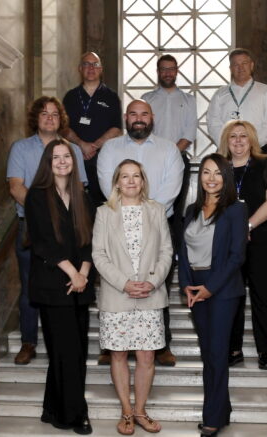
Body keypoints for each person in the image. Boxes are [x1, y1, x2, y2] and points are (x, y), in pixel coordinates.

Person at [97, 99, 184, 366]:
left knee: (158, 282)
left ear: (152, 117)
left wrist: (148, 211)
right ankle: (113, 346)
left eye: (143, 114)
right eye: (133, 114)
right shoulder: (110, 148)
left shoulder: (169, 149)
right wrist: (129, 205)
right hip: (116, 221)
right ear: (126, 117)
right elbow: (106, 183)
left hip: (159, 222)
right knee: (116, 282)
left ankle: (161, 345)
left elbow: (172, 188)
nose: (138, 118)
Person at [92, 159, 172, 435]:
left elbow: (166, 252)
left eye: (135, 176)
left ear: (142, 181)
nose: (130, 181)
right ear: (116, 182)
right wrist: (124, 283)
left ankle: (140, 411)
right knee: (119, 354)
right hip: (117, 294)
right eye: (124, 176)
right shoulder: (104, 213)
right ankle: (126, 411)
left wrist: (151, 282)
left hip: (150, 294)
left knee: (147, 356)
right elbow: (98, 255)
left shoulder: (157, 210)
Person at [7, 96, 88, 365]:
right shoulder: (20, 148)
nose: (50, 118)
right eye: (44, 113)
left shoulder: (73, 150)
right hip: (32, 229)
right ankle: (29, 341)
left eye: (55, 114)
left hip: (69, 233)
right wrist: (43, 211)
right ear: (36, 118)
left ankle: (66, 341)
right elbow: (16, 186)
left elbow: (79, 189)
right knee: (31, 285)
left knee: (68, 282)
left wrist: (62, 217)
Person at [25, 139, 95, 435]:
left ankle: (52, 409)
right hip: (53, 286)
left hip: (79, 285)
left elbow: (91, 240)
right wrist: (72, 273)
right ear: (47, 162)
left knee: (74, 350)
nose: (62, 161)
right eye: (56, 157)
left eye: (67, 156)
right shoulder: (37, 196)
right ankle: (74, 415)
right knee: (66, 352)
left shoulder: (82, 195)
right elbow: (43, 243)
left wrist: (83, 273)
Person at [179, 154, 247, 437]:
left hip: (222, 288)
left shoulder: (236, 209)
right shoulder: (192, 210)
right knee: (209, 353)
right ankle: (223, 409)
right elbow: (182, 251)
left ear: (226, 177)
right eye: (206, 172)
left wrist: (211, 288)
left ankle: (212, 417)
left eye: (217, 173)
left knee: (218, 354)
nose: (211, 178)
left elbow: (236, 257)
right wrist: (186, 284)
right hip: (195, 285)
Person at [142, 54, 198, 358]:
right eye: (162, 69)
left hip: (176, 159)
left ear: (176, 71)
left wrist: (169, 154)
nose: (167, 73)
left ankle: (172, 255)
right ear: (158, 72)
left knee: (172, 221)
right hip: (147, 163)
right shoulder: (147, 99)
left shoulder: (188, 100)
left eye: (171, 69)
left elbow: (188, 135)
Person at [217, 120, 267, 371]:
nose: (238, 140)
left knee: (263, 296)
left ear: (252, 139)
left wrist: (246, 227)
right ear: (227, 140)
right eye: (232, 136)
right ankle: (234, 349)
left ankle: (264, 350)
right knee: (232, 296)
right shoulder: (221, 167)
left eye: (243, 136)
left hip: (262, 239)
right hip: (229, 243)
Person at [63, 51, 123, 205]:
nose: (91, 67)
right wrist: (82, 145)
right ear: (79, 69)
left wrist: (94, 146)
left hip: (103, 158)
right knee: (76, 201)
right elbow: (63, 127)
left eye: (95, 64)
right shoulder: (70, 97)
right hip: (75, 156)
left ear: (101, 69)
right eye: (86, 64)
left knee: (102, 201)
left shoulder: (111, 96)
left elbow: (117, 128)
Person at [207, 48, 267, 151]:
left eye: (244, 63)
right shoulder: (220, 94)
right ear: (231, 68)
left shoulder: (266, 91)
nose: (240, 67)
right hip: (227, 151)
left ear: (252, 65)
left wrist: (252, 145)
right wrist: (228, 145)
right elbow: (213, 123)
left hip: (257, 150)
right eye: (236, 64)